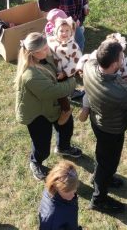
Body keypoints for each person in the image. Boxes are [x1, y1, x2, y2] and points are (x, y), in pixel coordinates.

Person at [82, 37, 127, 213]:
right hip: (112, 130)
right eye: (122, 58)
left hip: (97, 121)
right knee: (109, 162)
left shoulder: (89, 67)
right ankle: (98, 199)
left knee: (102, 154)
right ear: (115, 64)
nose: (124, 59)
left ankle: (98, 176)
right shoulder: (118, 92)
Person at [16, 33, 81, 182]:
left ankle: (63, 147)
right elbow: (55, 91)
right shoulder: (30, 75)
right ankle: (36, 161)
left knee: (66, 126)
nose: (48, 50)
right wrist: (71, 80)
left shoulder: (44, 57)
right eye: (44, 49)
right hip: (37, 113)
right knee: (42, 144)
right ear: (33, 53)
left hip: (53, 104)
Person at [38, 161, 81, 230]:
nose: (74, 195)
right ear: (58, 188)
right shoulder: (51, 220)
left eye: (75, 190)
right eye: (70, 192)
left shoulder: (57, 190)